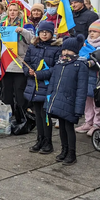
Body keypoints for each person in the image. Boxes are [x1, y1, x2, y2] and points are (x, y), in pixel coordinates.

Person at [45, 35, 88, 165]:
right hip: (58, 101)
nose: (65, 53)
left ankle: (72, 153)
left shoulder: (80, 65)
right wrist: (49, 100)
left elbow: (82, 89)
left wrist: (79, 108)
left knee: (69, 128)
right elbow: (52, 84)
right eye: (64, 50)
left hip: (70, 102)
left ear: (75, 50)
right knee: (62, 128)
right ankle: (64, 150)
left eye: (68, 50)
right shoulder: (59, 64)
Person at [23, 21, 62, 154]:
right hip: (34, 87)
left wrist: (39, 74)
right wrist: (27, 71)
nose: (44, 34)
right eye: (42, 32)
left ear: (51, 33)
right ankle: (39, 139)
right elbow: (26, 62)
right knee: (38, 114)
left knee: (45, 116)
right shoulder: (33, 46)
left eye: (47, 32)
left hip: (46, 87)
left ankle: (48, 142)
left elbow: (56, 68)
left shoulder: (56, 48)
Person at [75, 19, 100, 136]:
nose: (91, 34)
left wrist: (91, 60)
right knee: (87, 100)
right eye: (90, 31)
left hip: (97, 77)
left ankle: (97, 123)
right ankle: (88, 121)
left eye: (94, 32)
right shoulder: (86, 43)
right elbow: (81, 55)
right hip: (86, 76)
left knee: (97, 102)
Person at [0, 2, 34, 117]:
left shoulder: (26, 24)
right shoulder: (3, 24)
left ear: (19, 11)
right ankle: (8, 116)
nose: (12, 12)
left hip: (20, 63)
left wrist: (23, 31)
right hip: (6, 63)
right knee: (7, 91)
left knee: (19, 91)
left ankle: (22, 115)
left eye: (15, 10)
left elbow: (32, 40)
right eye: (10, 10)